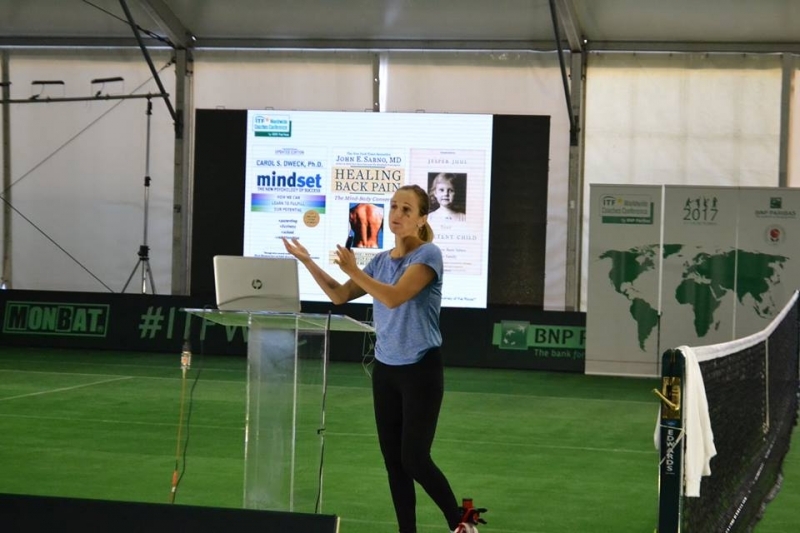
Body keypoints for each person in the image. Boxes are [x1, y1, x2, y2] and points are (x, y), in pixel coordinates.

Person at [282, 184, 486, 533]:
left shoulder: (428, 255)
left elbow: (394, 297)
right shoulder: (379, 261)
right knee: (394, 464)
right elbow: (339, 295)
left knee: (415, 459)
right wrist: (307, 260)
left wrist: (355, 271)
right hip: (386, 369)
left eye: (407, 209)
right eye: (393, 207)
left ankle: (462, 523)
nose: (396, 214)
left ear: (422, 219)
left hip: (420, 369)